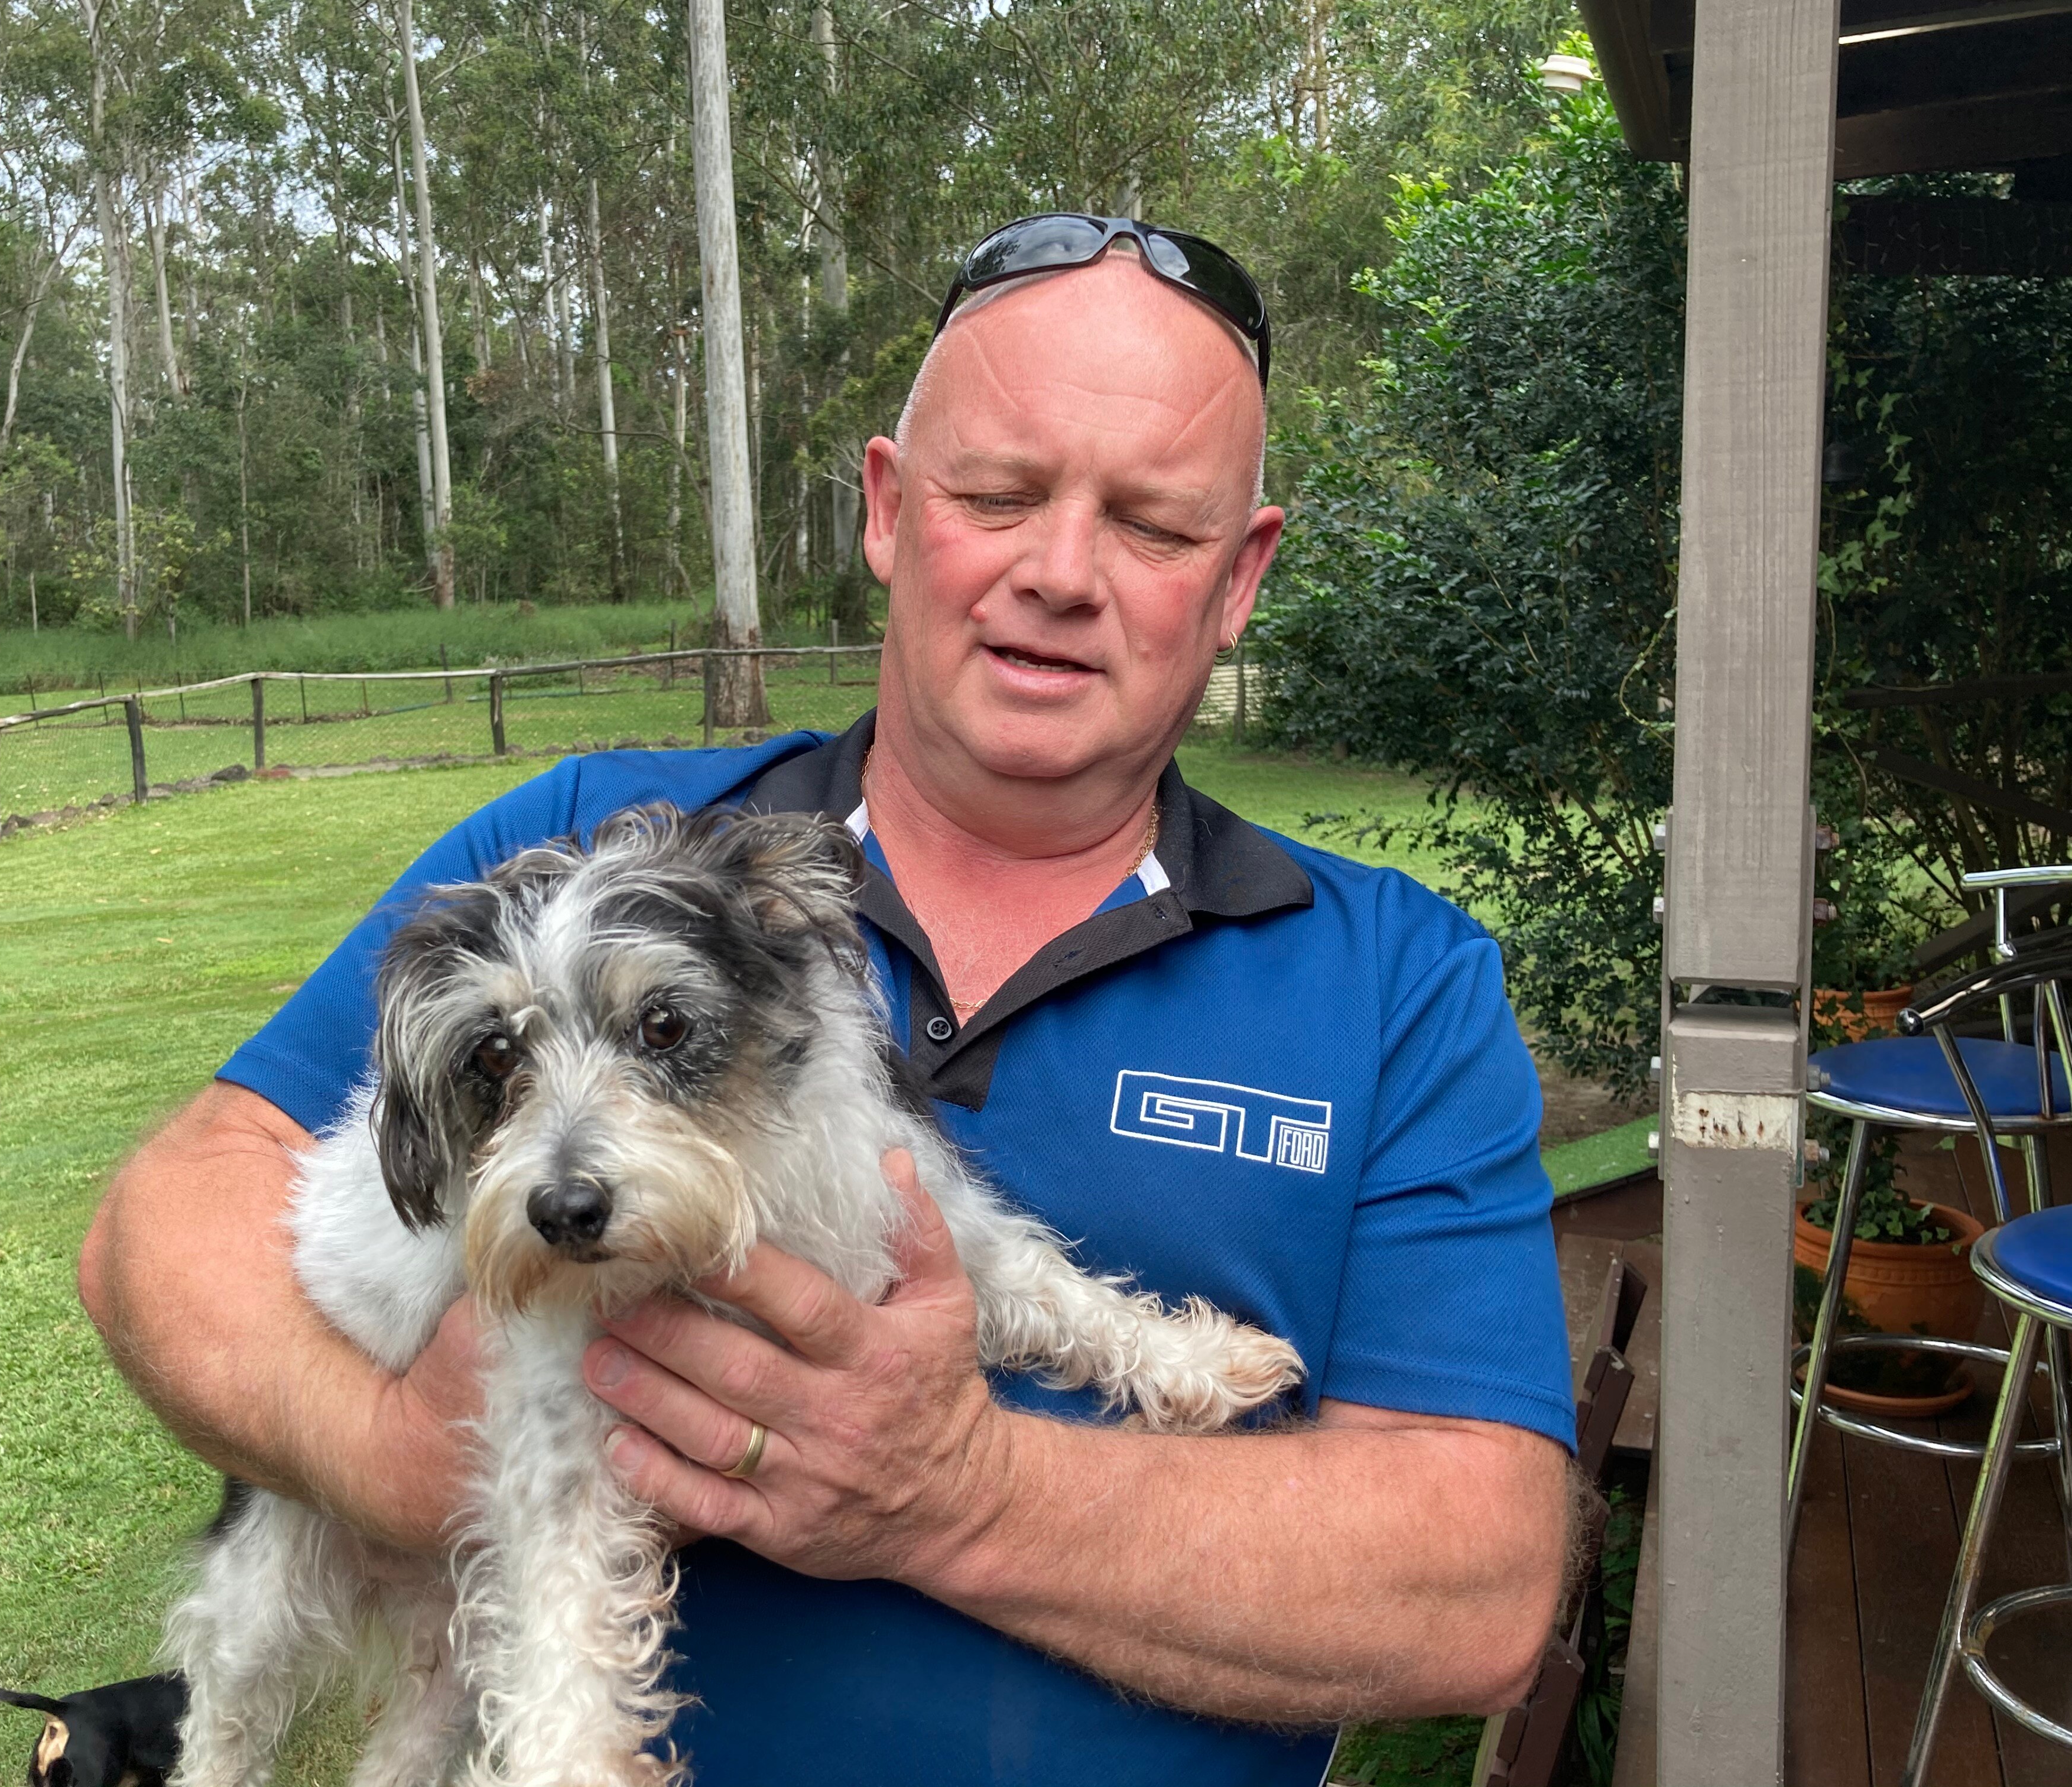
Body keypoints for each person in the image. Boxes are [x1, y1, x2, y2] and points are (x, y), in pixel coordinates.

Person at [80, 215, 1574, 1786]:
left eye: (1149, 524)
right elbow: (159, 1235)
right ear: (886, 507)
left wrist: (963, 1494)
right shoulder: (572, 851)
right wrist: (399, 1451)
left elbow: (1477, 1592)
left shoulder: (1402, 981)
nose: (1058, 575)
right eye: (999, 494)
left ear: (1241, 577)